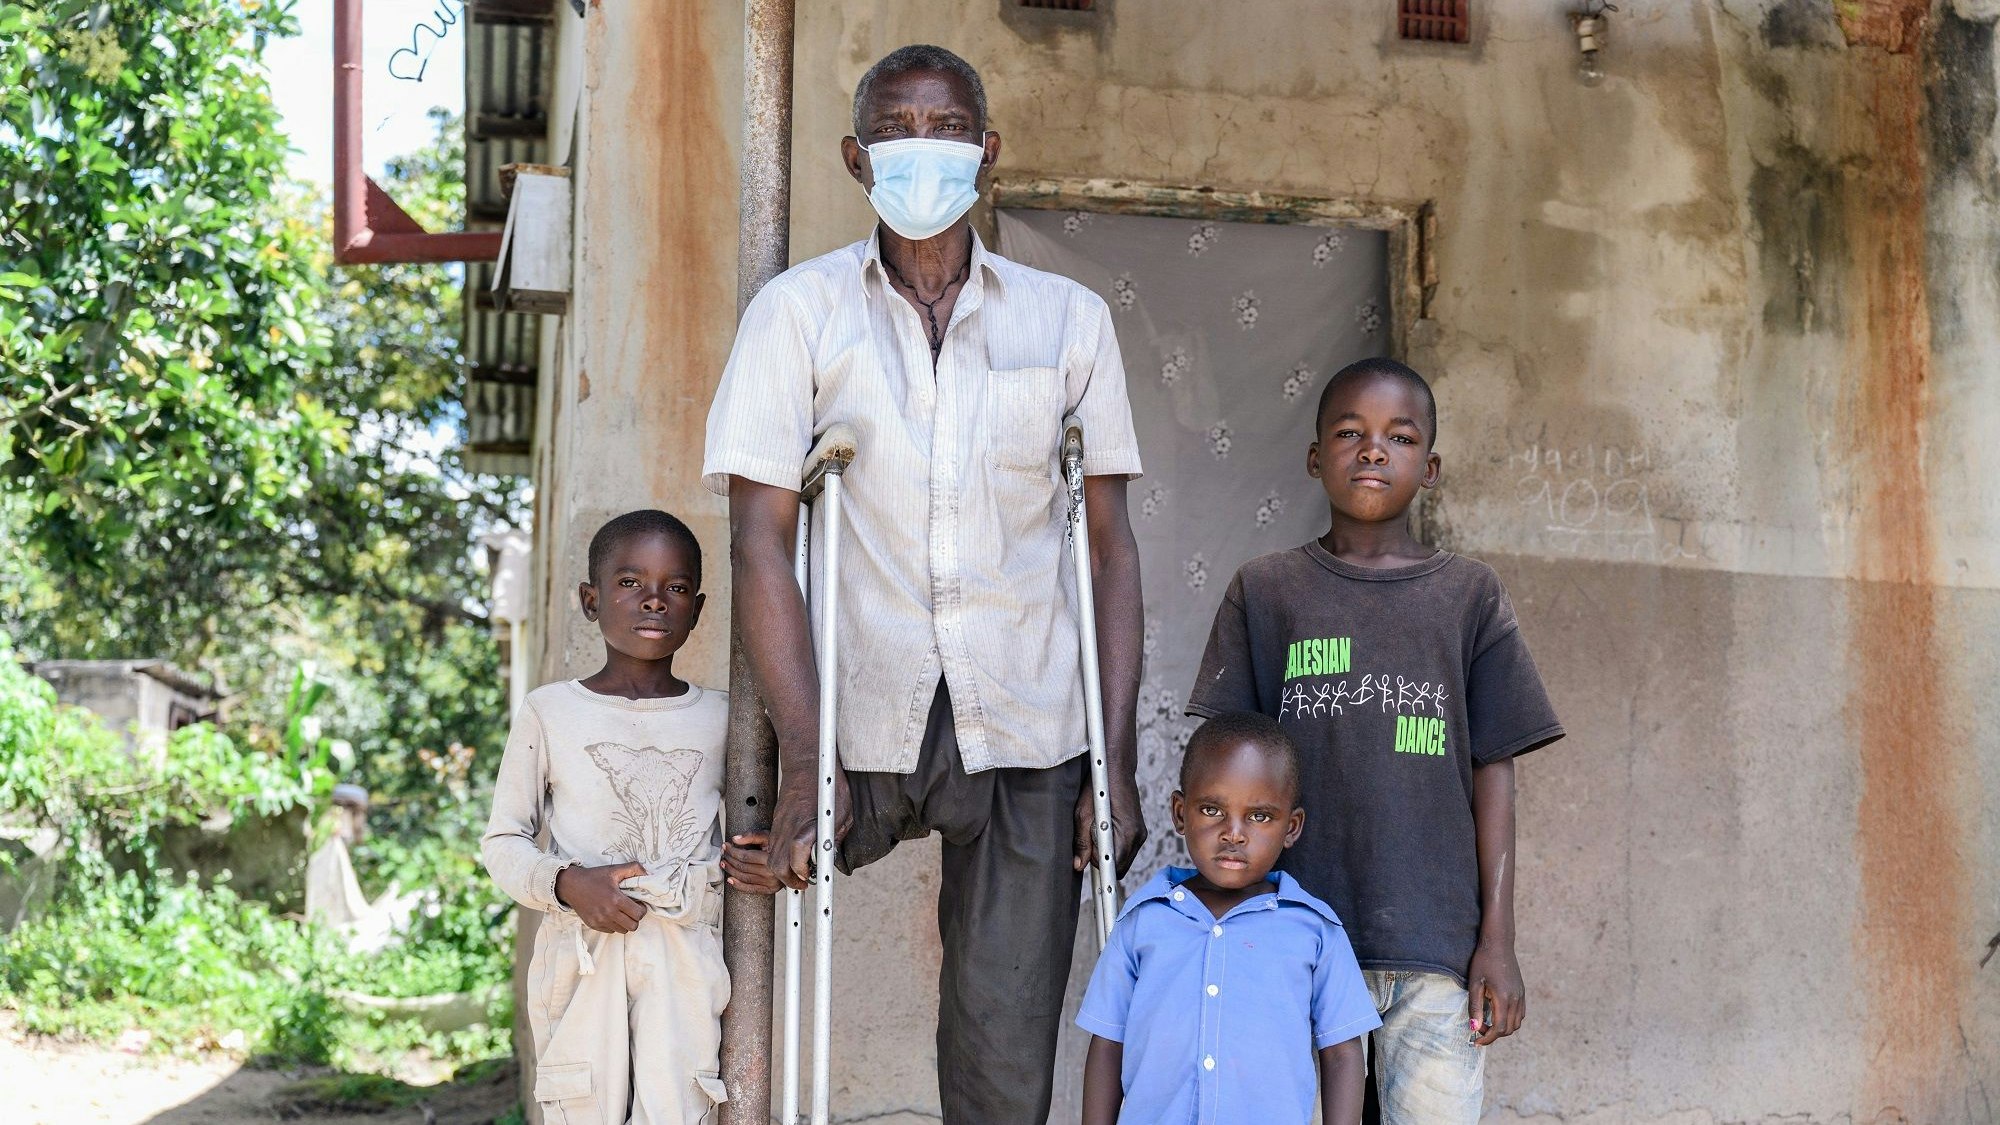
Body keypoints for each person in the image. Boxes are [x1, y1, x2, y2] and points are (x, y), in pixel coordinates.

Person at [704, 44, 1147, 1124]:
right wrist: (807, 758)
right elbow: (758, 540)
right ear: (855, 159)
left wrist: (1118, 765)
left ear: (985, 153)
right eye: (894, 131)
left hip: (1029, 717)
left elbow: (1107, 547)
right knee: (751, 865)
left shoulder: (1068, 320)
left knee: (1004, 1045)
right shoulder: (796, 315)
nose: (921, 150)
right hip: (856, 704)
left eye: (943, 127)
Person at [1186, 358, 1565, 1123]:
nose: (1371, 450)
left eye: (1398, 436)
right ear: (1314, 456)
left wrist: (1498, 940)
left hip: (1437, 951)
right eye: (1350, 432)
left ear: (1430, 468)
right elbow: (1223, 772)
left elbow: (1494, 772)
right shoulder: (1267, 590)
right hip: (1290, 939)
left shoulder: (1469, 596)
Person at [482, 510, 740, 1125]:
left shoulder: (725, 718)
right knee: (583, 1105)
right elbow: (502, 841)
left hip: (684, 956)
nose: (653, 602)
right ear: (590, 599)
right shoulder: (551, 712)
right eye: (630, 583)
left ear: (697, 607)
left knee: (679, 1108)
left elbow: (747, 834)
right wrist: (568, 884)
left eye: (675, 588)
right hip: (582, 952)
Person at [1077, 712, 1378, 1125]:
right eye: (1212, 809)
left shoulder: (1315, 931)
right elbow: (1109, 1043)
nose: (1233, 833)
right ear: (1180, 814)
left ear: (1291, 827)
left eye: (1259, 817)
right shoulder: (1143, 921)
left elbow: (1343, 1053)